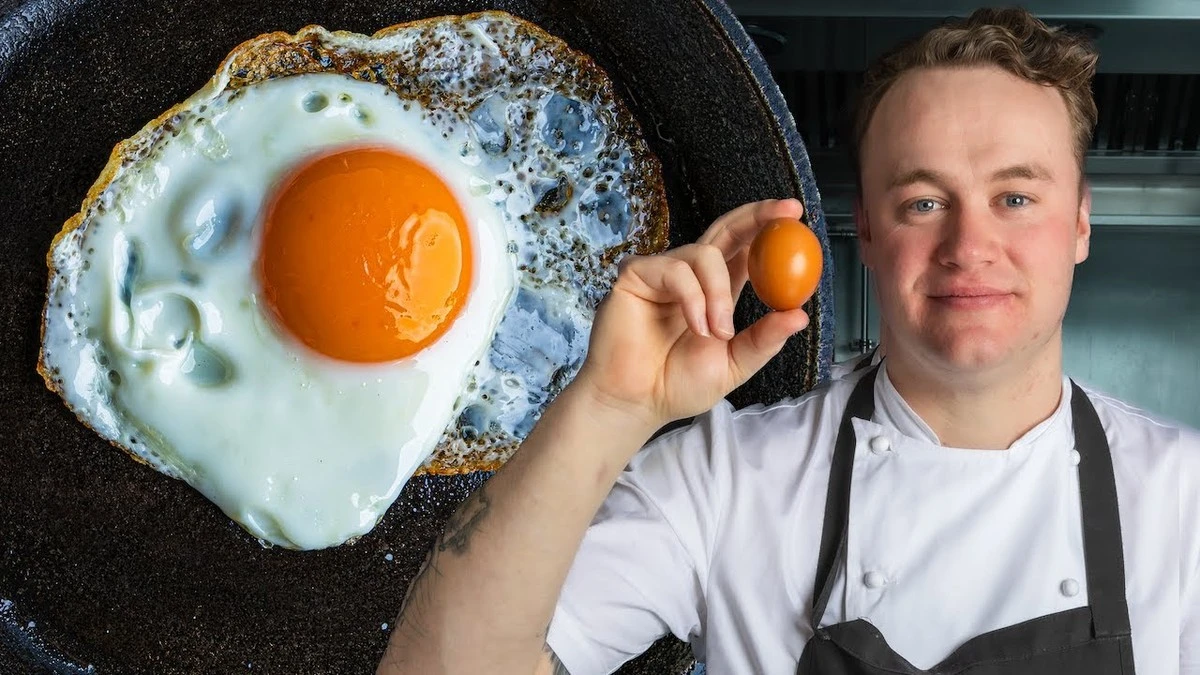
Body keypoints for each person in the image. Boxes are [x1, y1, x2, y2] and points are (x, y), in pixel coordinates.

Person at [378, 7, 1198, 675]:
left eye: (1015, 198)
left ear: (1081, 223)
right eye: (922, 203)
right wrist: (610, 403)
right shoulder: (724, 481)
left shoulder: (1184, 503)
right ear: (867, 232)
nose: (968, 246)